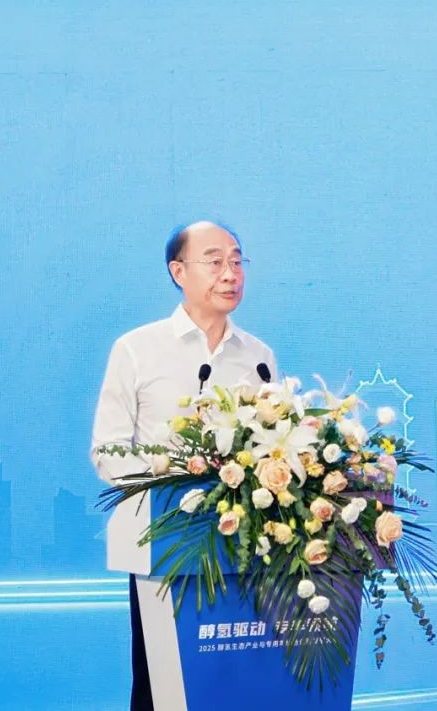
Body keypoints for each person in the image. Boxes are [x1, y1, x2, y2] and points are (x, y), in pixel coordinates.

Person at [89, 220, 279, 711]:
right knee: (162, 689)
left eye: (236, 260)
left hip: (243, 549)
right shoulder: (137, 349)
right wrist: (175, 476)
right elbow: (107, 450)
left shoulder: (259, 358)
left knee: (238, 684)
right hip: (166, 545)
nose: (230, 273)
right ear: (178, 272)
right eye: (214, 261)